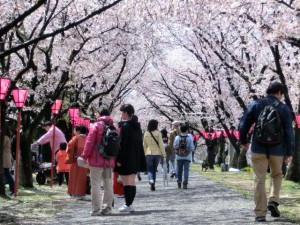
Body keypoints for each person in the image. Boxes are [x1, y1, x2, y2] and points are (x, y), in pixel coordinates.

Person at [239, 82, 294, 222]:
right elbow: (289, 131)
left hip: (258, 148)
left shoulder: (256, 104)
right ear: (280, 92)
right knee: (276, 175)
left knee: (259, 179)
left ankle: (260, 214)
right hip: (278, 149)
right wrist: (289, 152)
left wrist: (243, 140)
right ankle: (273, 201)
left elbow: (243, 123)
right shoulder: (284, 108)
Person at [81, 109, 116, 216]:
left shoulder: (96, 126)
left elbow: (89, 143)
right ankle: (107, 209)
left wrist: (84, 156)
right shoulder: (114, 127)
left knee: (95, 185)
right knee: (108, 184)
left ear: (100, 115)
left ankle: (96, 209)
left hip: (96, 161)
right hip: (109, 161)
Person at [114, 104, 147, 212]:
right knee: (132, 181)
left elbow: (123, 144)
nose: (121, 114)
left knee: (126, 182)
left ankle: (128, 204)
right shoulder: (137, 126)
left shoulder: (125, 127)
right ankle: (130, 204)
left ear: (126, 113)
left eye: (122, 112)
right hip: (136, 157)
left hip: (126, 158)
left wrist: (119, 159)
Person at [143, 119, 166, 191]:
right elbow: (161, 145)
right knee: (154, 169)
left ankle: (151, 180)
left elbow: (144, 145)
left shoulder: (146, 133)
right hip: (157, 154)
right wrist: (164, 154)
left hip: (149, 153)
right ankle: (153, 184)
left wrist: (143, 154)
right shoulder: (158, 133)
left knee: (150, 169)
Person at [67, 125, 89, 200]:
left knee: (74, 177)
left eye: (75, 130)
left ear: (78, 131)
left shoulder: (75, 138)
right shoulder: (88, 138)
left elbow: (69, 146)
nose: (74, 131)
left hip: (76, 160)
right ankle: (81, 193)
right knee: (82, 177)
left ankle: (74, 193)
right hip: (85, 161)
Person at [173, 124, 195, 189]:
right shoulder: (189, 137)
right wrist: (188, 151)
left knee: (179, 170)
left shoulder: (177, 137)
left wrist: (179, 150)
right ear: (186, 130)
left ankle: (179, 182)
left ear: (180, 130)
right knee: (186, 170)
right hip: (187, 157)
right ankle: (185, 183)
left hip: (179, 156)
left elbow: (174, 146)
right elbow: (192, 148)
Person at [3, 126, 14, 195]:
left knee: (7, 173)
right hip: (5, 157)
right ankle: (12, 188)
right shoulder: (7, 137)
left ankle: (12, 189)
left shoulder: (5, 137)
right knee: (6, 173)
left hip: (5, 157)